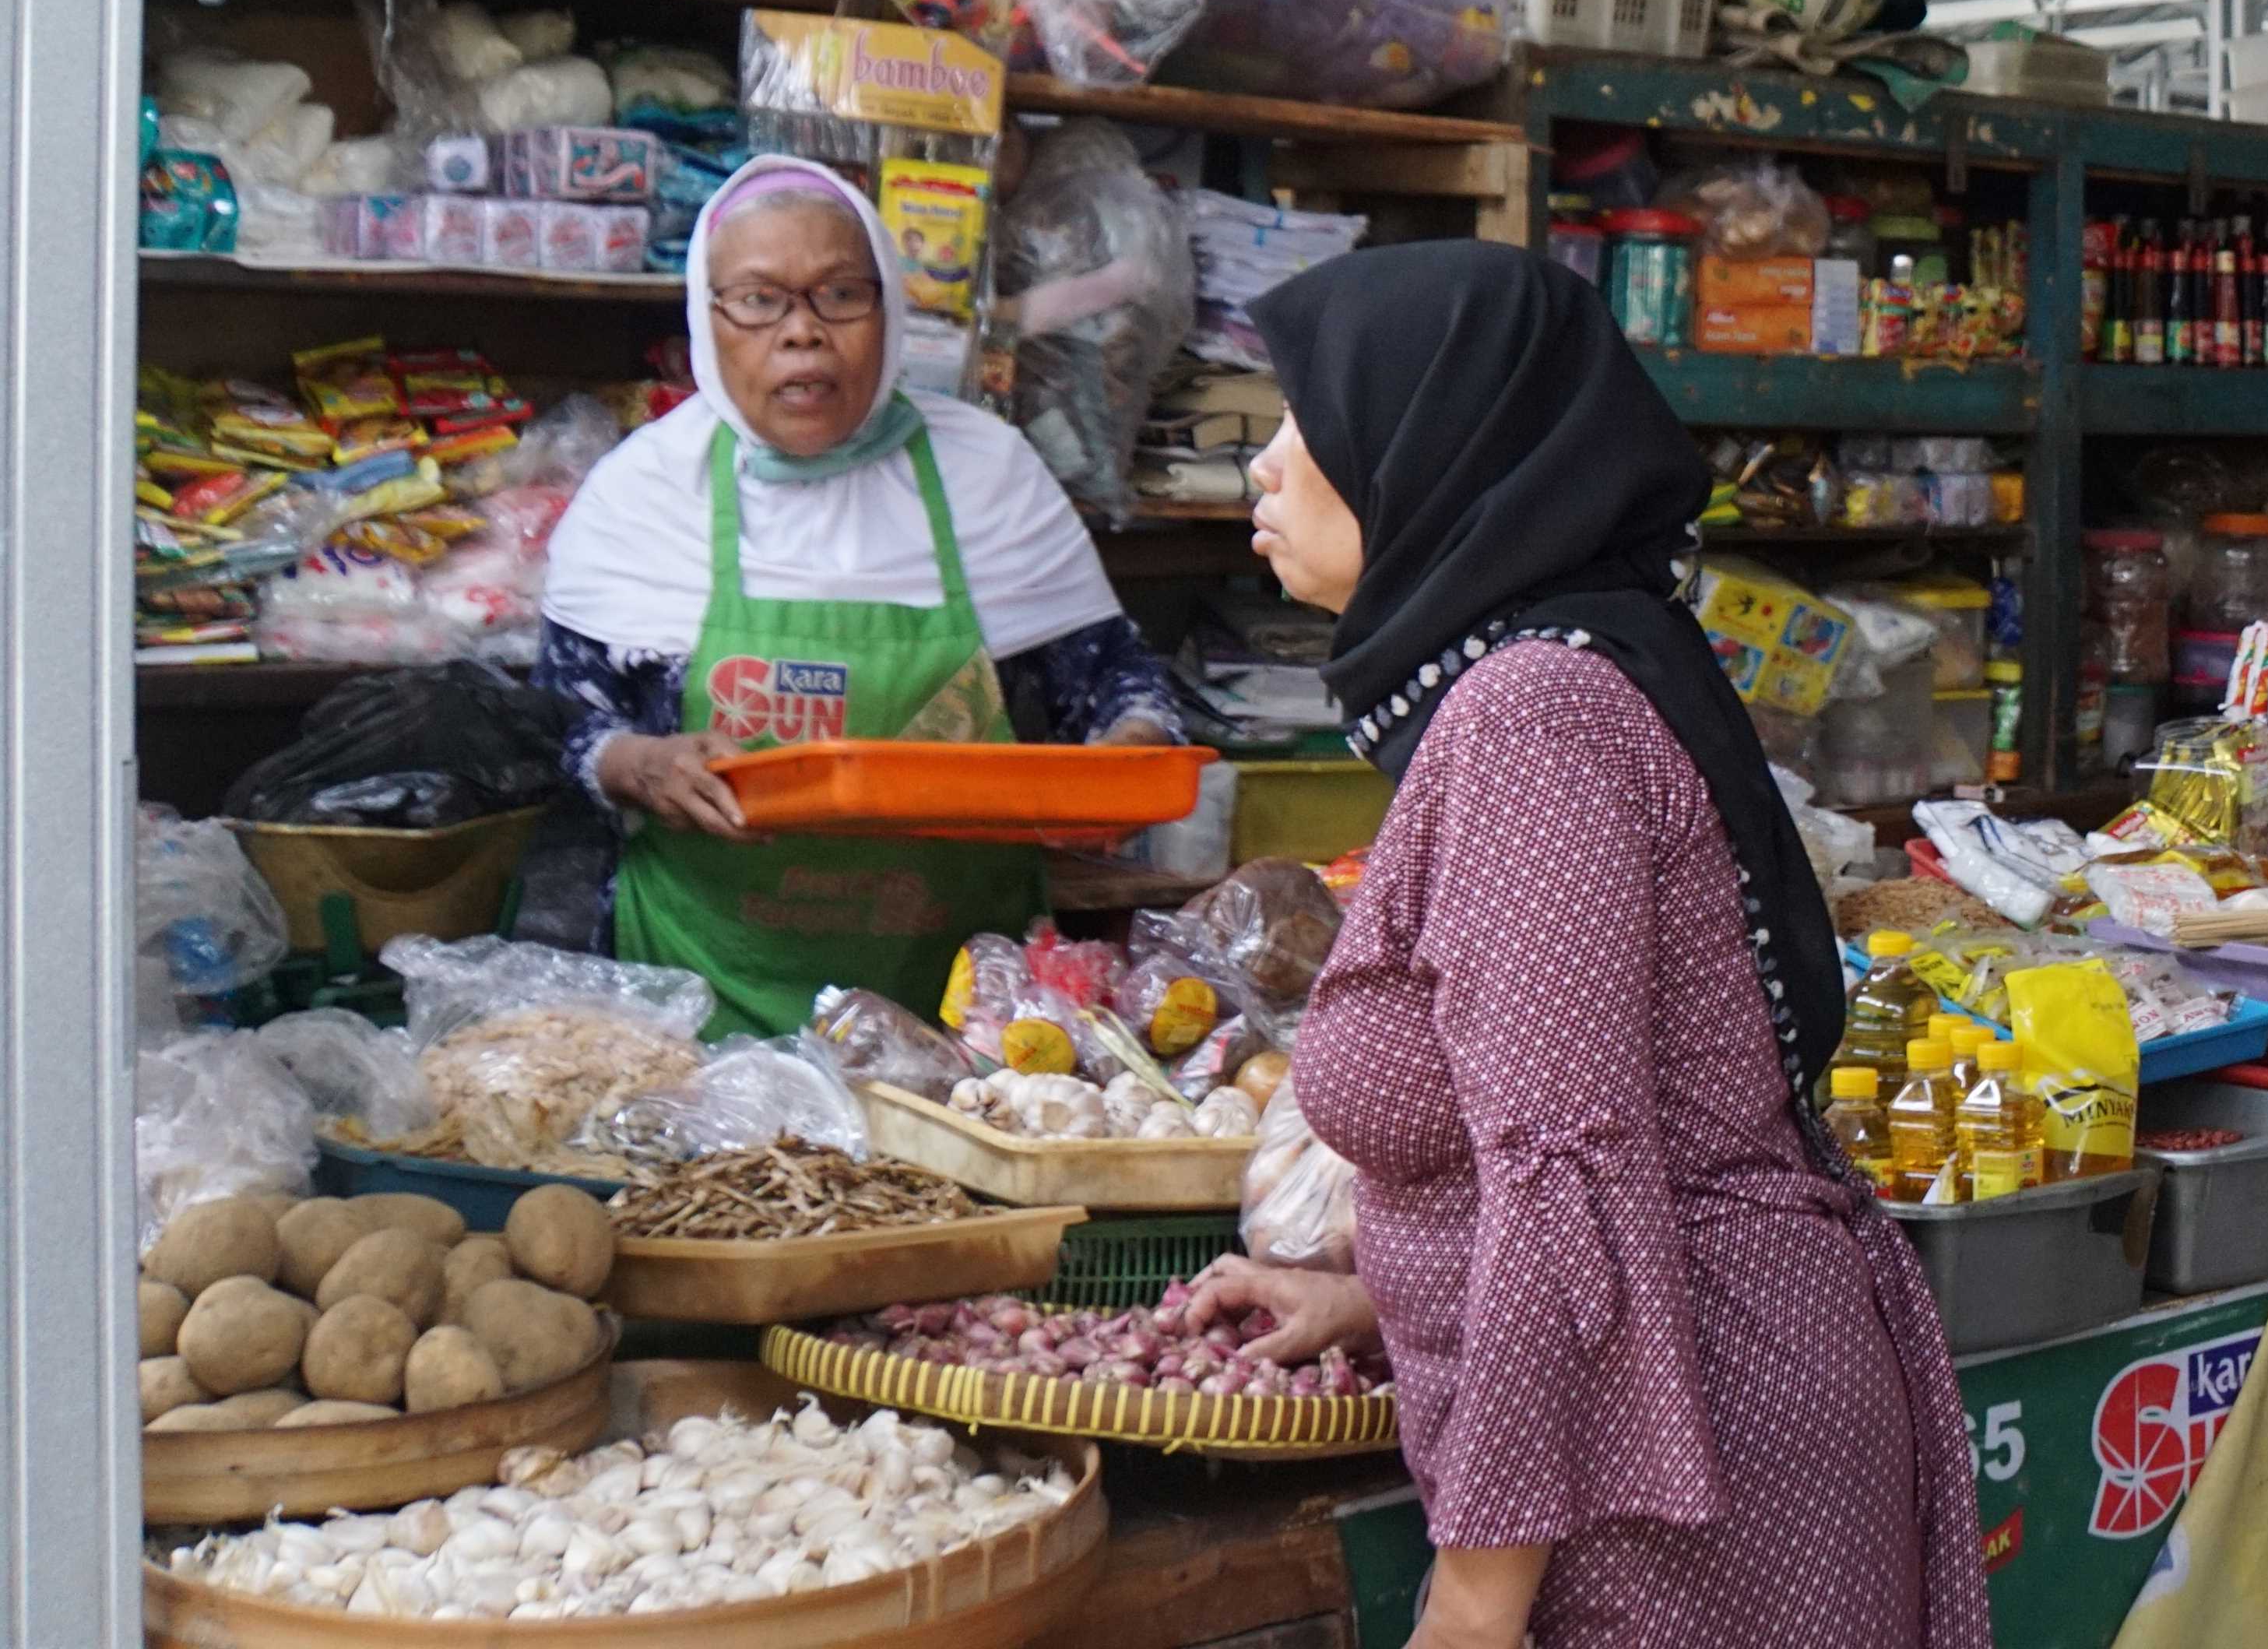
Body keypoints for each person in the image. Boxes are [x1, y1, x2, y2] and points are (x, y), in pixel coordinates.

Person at [1183, 240, 1985, 1649]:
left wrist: (1478, 1601)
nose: (1266, 461)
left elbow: (1574, 1168)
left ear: (1434, 442)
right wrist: (1383, 1290)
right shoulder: (1570, 667)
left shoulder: (1532, 715)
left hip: (1683, 1473)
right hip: (1687, 1403)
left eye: (1310, 415)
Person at [538, 156, 1178, 1036]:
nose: (802, 334)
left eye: (840, 294)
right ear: (704, 317)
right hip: (700, 1006)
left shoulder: (987, 474)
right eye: (760, 300)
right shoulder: (642, 493)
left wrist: (1131, 751)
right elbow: (558, 719)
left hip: (961, 1020)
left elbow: (1115, 679)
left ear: (890, 312)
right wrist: (632, 764)